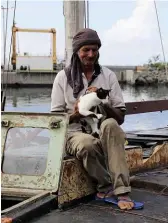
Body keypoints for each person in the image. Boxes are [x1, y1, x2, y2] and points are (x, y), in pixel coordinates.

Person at [50, 28, 143, 210]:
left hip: (100, 129)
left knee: (111, 125)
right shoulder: (62, 78)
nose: (91, 54)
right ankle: (106, 187)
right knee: (87, 144)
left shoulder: (108, 76)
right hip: (74, 133)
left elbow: (121, 117)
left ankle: (122, 190)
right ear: (77, 51)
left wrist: (103, 102)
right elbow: (54, 122)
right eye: (86, 50)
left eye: (94, 50)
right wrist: (78, 113)